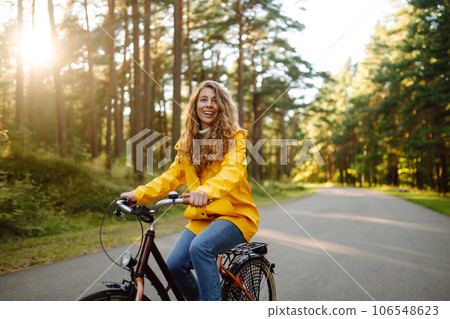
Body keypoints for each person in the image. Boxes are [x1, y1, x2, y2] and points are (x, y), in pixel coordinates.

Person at [120, 80, 259, 301]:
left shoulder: (234, 137)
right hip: (203, 218)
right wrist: (137, 195)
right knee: (175, 265)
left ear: (222, 106)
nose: (209, 105)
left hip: (235, 215)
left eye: (215, 100)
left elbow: (231, 172)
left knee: (201, 248)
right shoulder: (187, 143)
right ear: (195, 106)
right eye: (203, 99)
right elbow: (171, 177)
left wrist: (205, 191)